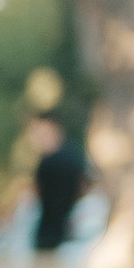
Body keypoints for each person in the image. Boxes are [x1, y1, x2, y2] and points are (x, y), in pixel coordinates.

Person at [24, 106, 89, 255]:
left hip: (49, 234)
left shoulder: (48, 162)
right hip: (70, 233)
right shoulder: (75, 156)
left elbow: (35, 195)